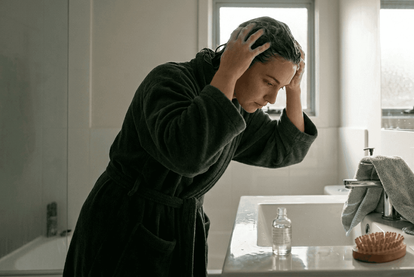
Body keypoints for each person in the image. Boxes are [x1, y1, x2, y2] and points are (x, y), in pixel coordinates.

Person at [63, 16, 318, 276]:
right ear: (241, 61)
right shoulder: (170, 80)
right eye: (269, 83)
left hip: (175, 229)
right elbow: (188, 156)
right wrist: (228, 72)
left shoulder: (238, 108)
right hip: (125, 226)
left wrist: (294, 91)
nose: (273, 99)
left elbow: (284, 150)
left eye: (281, 88)